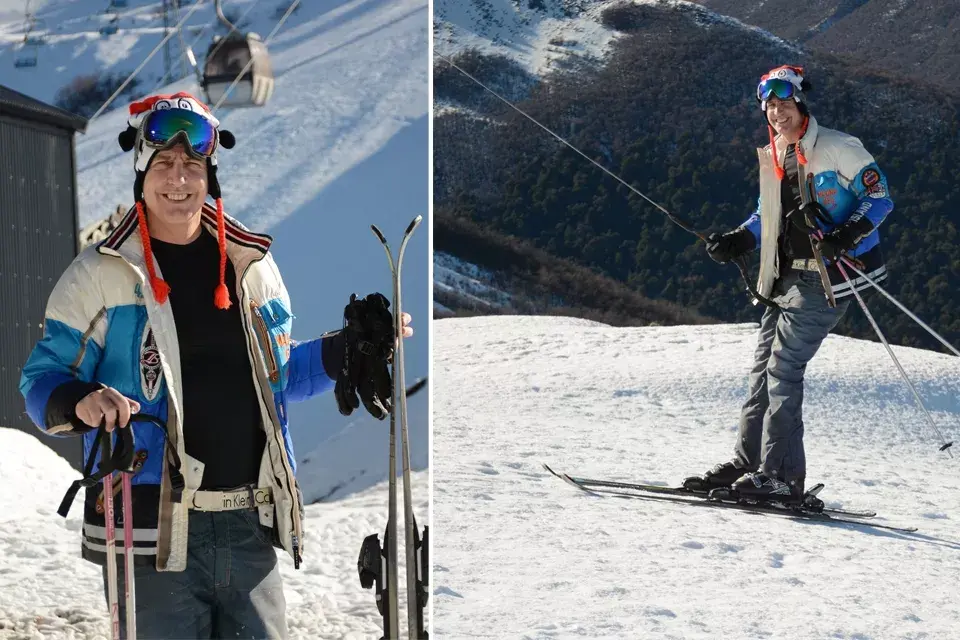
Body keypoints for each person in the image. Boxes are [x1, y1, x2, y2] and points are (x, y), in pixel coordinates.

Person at [19, 92, 413, 639]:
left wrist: (348, 350)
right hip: (151, 533)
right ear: (141, 169)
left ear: (210, 173)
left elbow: (276, 380)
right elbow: (40, 383)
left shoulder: (251, 266)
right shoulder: (100, 276)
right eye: (163, 163)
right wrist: (82, 400)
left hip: (248, 525)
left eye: (192, 165)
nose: (178, 178)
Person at [683, 66, 893, 502]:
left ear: (801, 104)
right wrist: (738, 238)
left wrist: (844, 236)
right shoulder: (775, 153)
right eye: (771, 106)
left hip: (828, 280)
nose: (778, 112)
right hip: (784, 278)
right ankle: (749, 464)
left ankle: (780, 475)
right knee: (761, 373)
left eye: (785, 103)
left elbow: (880, 198)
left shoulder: (839, 148)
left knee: (783, 369)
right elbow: (766, 215)